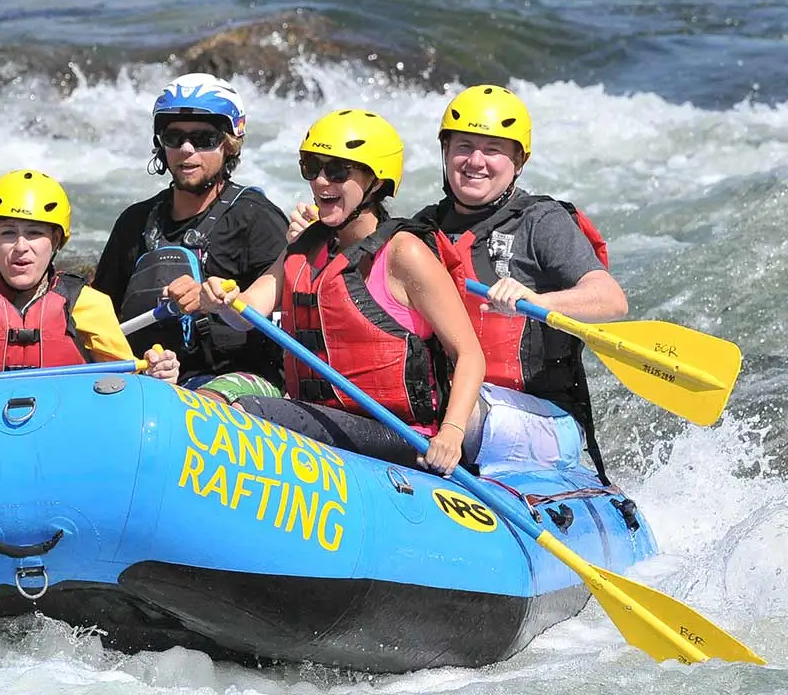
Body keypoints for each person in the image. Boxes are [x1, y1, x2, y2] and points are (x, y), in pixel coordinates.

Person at [198, 109, 486, 476]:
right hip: (323, 423)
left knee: (252, 412)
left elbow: (469, 354)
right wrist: (220, 301)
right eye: (311, 167)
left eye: (336, 171)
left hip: (399, 435)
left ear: (376, 183)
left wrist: (451, 433)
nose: (320, 182)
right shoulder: (305, 246)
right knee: (210, 400)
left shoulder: (404, 252)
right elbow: (246, 313)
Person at [410, 85, 628, 482]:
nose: (475, 161)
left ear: (518, 161)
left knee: (450, 406)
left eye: (493, 149)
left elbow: (611, 299)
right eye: (464, 146)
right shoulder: (424, 228)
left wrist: (536, 299)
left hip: (543, 417)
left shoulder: (541, 222)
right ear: (446, 152)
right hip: (455, 402)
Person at [91, 73, 287, 388]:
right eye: (173, 137)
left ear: (229, 145)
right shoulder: (134, 222)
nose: (186, 149)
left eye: (204, 139)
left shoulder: (257, 219)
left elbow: (284, 318)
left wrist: (217, 302)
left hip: (236, 383)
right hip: (150, 379)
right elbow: (100, 317)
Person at [0, 169, 179, 382]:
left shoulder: (87, 303)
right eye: (8, 233)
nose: (21, 246)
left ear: (55, 240)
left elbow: (128, 384)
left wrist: (155, 375)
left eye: (34, 233)